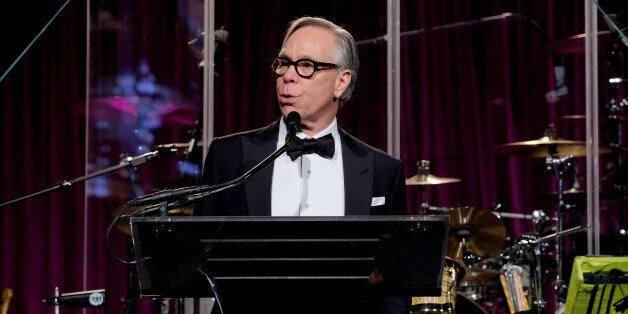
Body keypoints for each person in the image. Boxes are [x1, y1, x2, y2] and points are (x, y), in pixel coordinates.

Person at [195, 16, 409, 314]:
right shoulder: (229, 157)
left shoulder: (383, 170)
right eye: (283, 63)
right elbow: (200, 258)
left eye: (306, 66)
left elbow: (395, 283)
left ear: (341, 81)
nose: (288, 76)